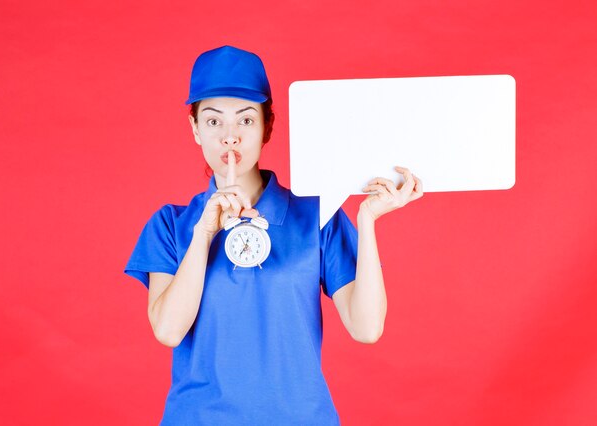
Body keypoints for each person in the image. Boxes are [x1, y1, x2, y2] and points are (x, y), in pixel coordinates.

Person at [124, 45, 423, 426]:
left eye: (246, 120)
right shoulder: (171, 225)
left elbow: (366, 328)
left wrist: (367, 219)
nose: (230, 137)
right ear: (195, 128)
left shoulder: (317, 215)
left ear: (268, 126)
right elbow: (168, 330)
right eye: (214, 121)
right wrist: (203, 233)